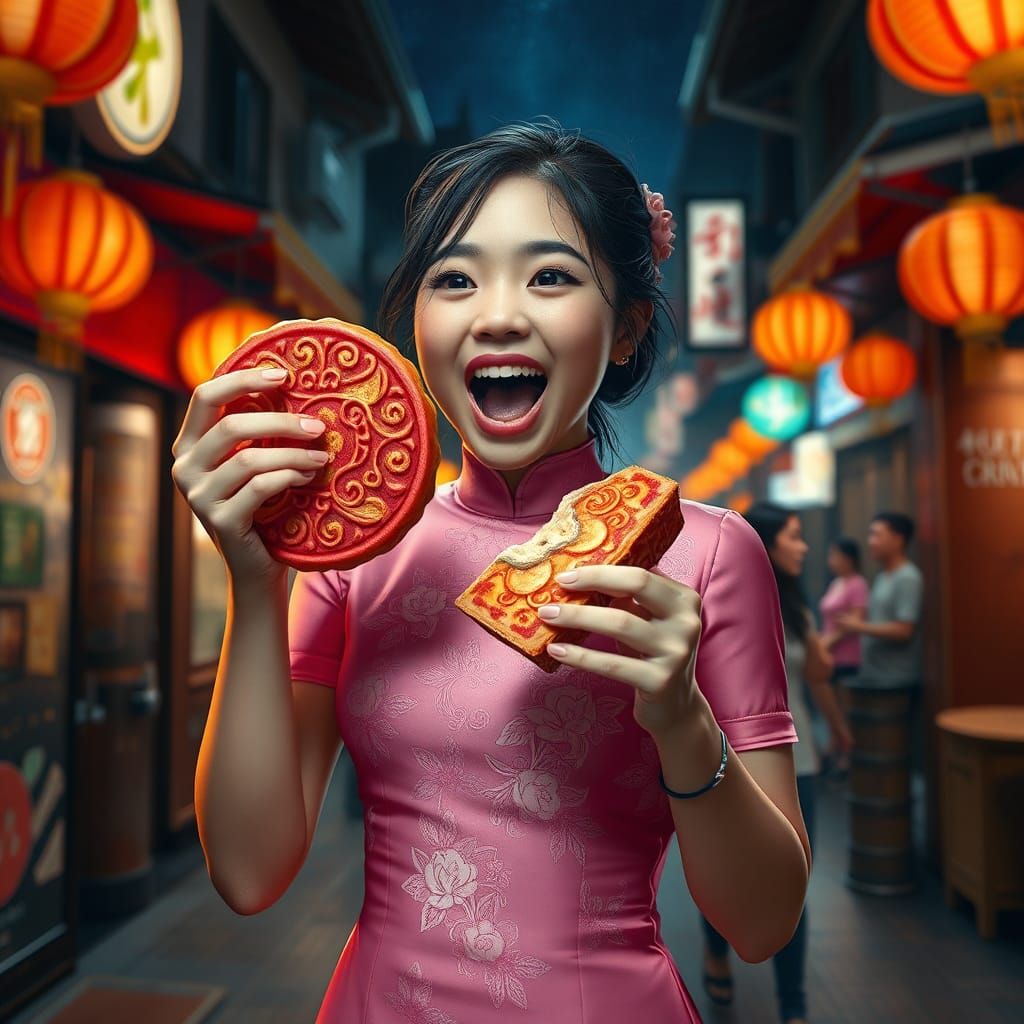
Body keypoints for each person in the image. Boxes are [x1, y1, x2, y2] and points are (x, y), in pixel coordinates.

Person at [170, 121, 810, 1023]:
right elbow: (247, 872)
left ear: (626, 327)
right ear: (419, 325)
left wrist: (680, 718)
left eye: (550, 276)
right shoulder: (352, 557)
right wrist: (252, 576)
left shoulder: (706, 553)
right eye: (455, 279)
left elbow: (764, 923)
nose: (497, 313)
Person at [701, 504, 853, 1024]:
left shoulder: (797, 604)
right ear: (762, 542)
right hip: (727, 764)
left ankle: (794, 1005)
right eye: (793, 535)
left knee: (794, 882)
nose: (804, 546)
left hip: (799, 760)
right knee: (720, 871)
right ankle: (715, 952)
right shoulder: (721, 596)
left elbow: (818, 676)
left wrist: (837, 726)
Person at [833, 513, 923, 689]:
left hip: (895, 677)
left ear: (897, 539)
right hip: (874, 673)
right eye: (870, 535)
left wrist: (857, 626)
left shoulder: (908, 577)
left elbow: (904, 630)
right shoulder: (883, 576)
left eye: (877, 535)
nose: (870, 542)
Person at [818, 537, 869, 774]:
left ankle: (848, 757)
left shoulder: (857, 584)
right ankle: (834, 747)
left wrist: (826, 642)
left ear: (848, 558)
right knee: (833, 707)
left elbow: (855, 621)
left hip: (847, 655)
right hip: (828, 653)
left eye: (835, 556)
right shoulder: (836, 582)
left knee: (845, 707)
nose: (832, 561)